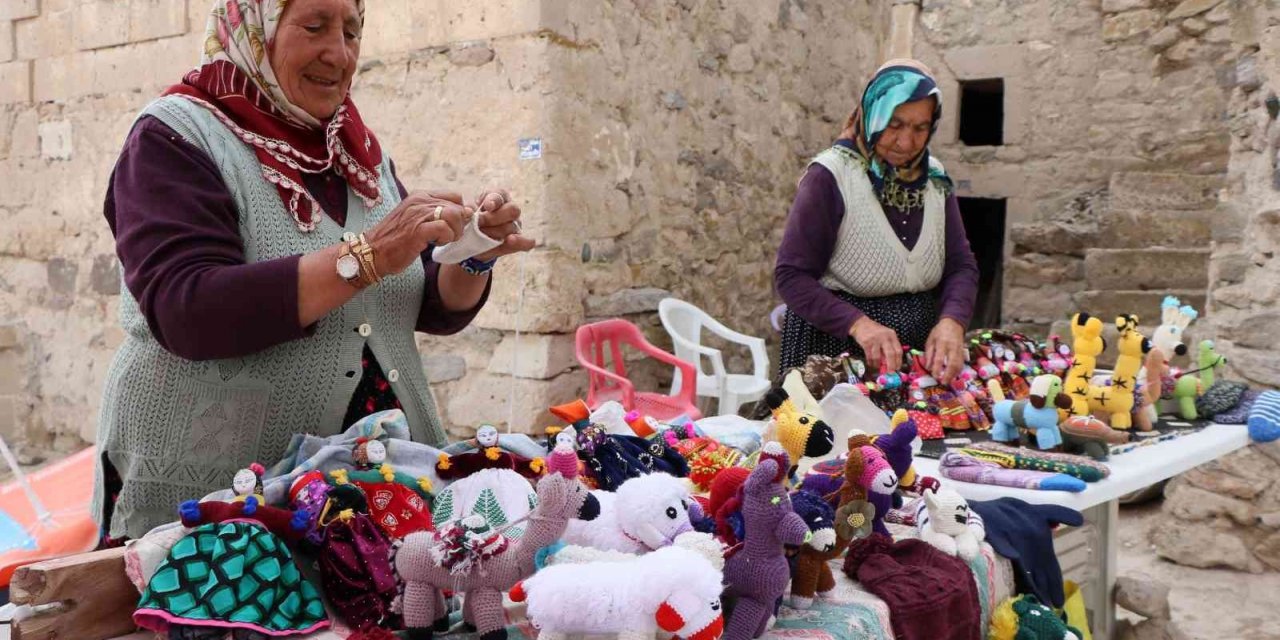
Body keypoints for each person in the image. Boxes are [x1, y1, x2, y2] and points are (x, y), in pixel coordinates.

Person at [92, 0, 533, 541]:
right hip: (221, 501)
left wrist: (473, 253)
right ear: (256, 31)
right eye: (315, 26)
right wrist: (366, 255)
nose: (339, 53)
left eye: (351, 31)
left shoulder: (356, 150)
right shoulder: (175, 138)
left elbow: (420, 304)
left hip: (366, 497)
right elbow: (187, 309)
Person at [774, 59, 980, 384]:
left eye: (920, 127)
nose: (906, 142)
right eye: (894, 124)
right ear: (872, 113)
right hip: (836, 352)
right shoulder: (831, 176)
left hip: (915, 354)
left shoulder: (935, 179)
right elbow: (791, 276)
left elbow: (961, 266)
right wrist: (859, 324)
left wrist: (953, 320)